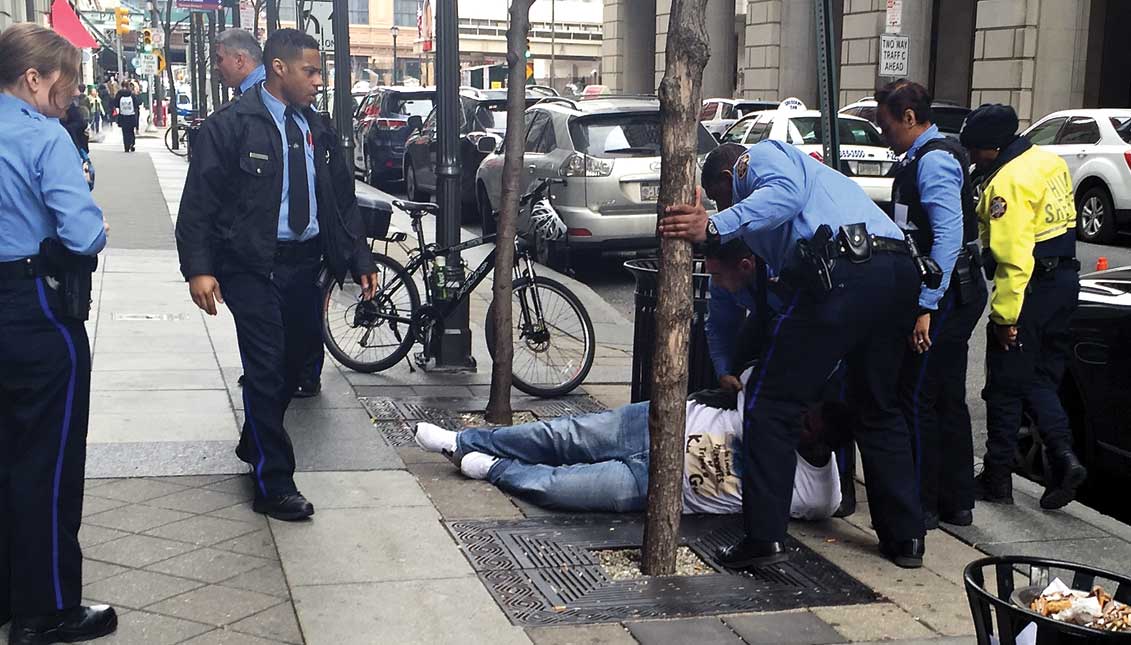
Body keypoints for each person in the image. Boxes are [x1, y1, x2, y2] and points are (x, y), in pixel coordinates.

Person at [660, 141, 925, 569]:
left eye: (720, 196)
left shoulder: (758, 159)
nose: (721, 206)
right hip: (895, 273)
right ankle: (906, 538)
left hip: (846, 270)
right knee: (877, 407)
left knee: (770, 406)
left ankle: (763, 539)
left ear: (729, 180)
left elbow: (783, 193)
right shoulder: (805, 201)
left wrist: (714, 225)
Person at [176, 29, 378, 520]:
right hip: (253, 268)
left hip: (306, 266)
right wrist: (199, 269)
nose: (318, 81)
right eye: (310, 71)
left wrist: (359, 257)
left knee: (295, 370)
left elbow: (340, 200)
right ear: (279, 68)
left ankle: (255, 439)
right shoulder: (231, 126)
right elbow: (198, 204)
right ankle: (274, 484)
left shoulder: (318, 128)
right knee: (265, 370)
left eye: (321, 72)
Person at [0, 22, 118, 645]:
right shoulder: (43, 139)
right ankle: (44, 609)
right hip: (35, 308)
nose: (69, 97)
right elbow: (82, 234)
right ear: (33, 78)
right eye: (65, 86)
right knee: (46, 462)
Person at [412, 367, 844, 519]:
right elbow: (749, 380)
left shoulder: (819, 494)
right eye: (805, 413)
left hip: (658, 486)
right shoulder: (780, 408)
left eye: (809, 426)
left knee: (560, 488)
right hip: (660, 424)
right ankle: (463, 439)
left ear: (824, 443)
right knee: (560, 436)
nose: (799, 423)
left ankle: (490, 467)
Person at [960, 104, 1087, 511]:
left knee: (1004, 385)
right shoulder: (1048, 163)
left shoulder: (1007, 184)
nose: (973, 158)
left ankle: (997, 478)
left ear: (994, 148)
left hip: (1030, 289)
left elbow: (1014, 258)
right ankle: (1065, 459)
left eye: (976, 150)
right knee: (1040, 380)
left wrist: (1004, 320)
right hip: (1065, 282)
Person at [875, 80, 987, 531]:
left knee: (918, 397)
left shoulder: (935, 160)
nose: (883, 135)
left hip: (945, 293)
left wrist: (925, 304)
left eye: (886, 125)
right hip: (954, 291)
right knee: (943, 395)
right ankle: (955, 500)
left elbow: (947, 238)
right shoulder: (927, 156)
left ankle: (921, 504)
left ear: (908, 117)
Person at [214, 28, 267, 97]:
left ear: (239, 60)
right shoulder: (263, 88)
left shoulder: (265, 93)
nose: (215, 67)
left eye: (219, 59)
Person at [112, 80, 137, 152]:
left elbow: (115, 103)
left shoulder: (119, 94)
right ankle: (132, 143)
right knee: (131, 131)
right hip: (131, 115)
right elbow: (136, 104)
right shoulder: (131, 94)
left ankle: (126, 146)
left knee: (125, 131)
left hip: (123, 116)